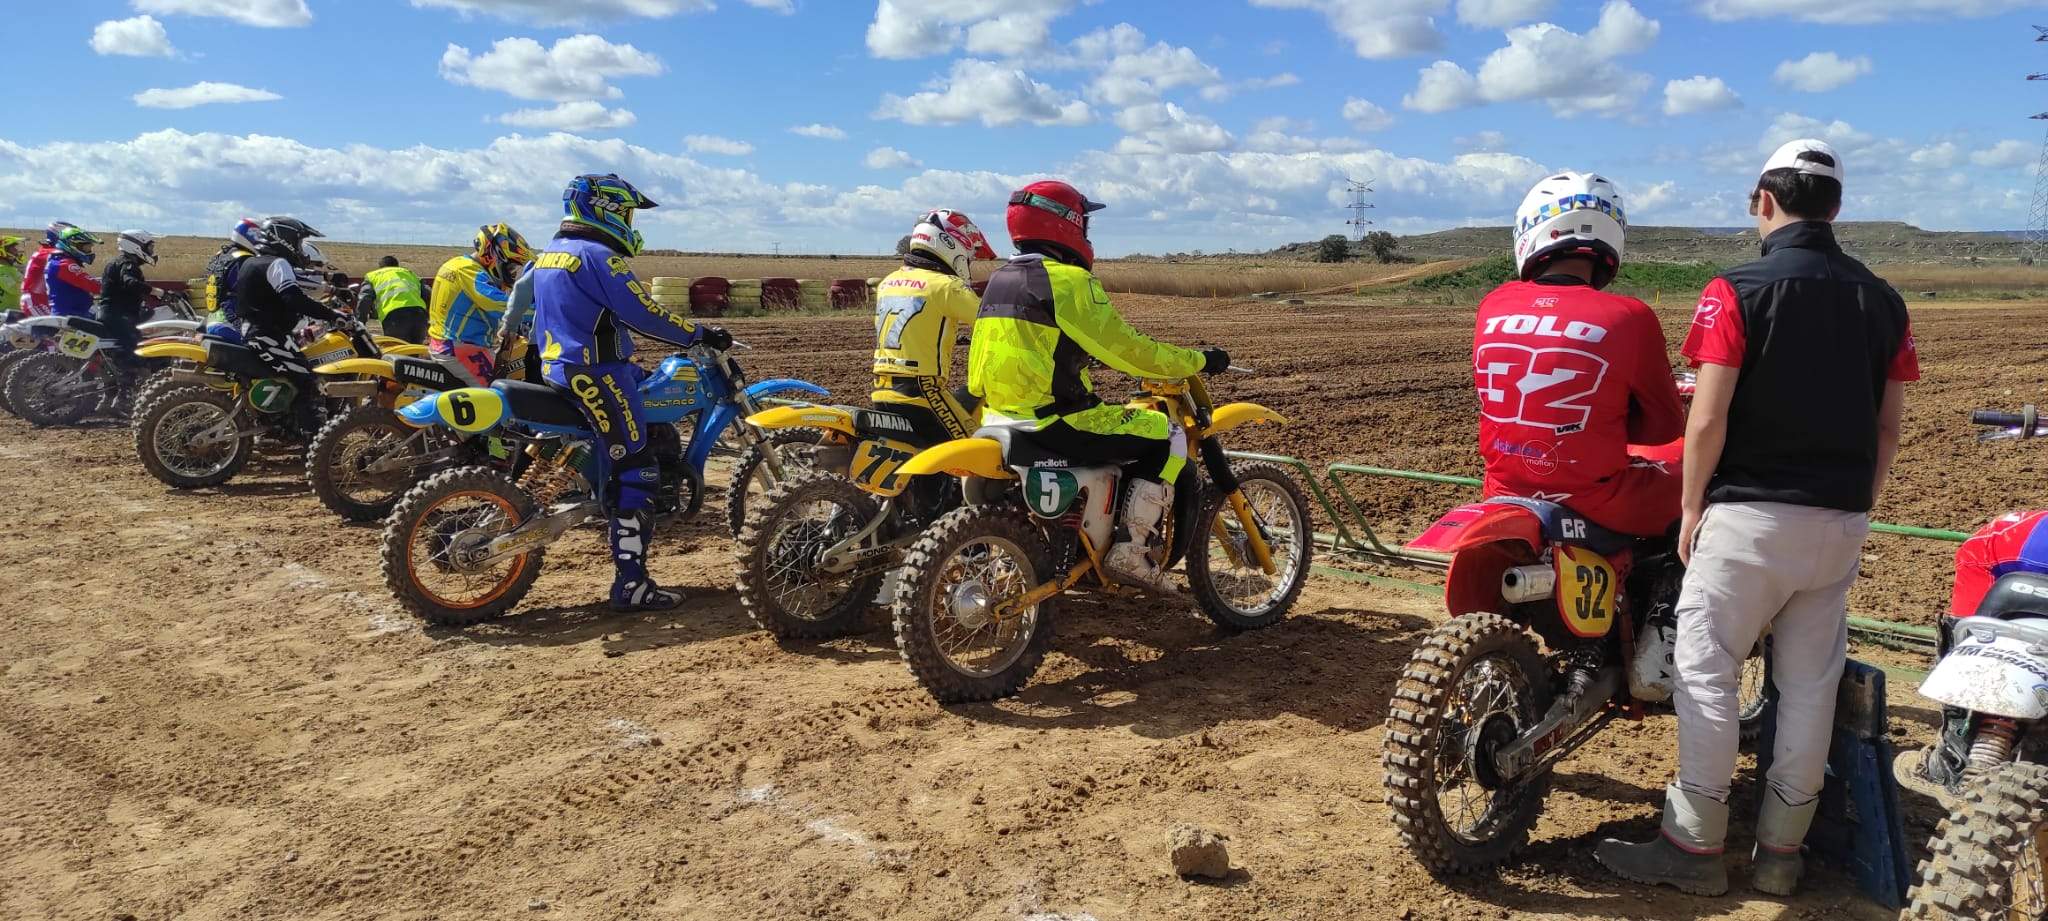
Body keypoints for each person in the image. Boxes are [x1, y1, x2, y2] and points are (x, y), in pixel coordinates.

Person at [1595, 139, 1918, 898]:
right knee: (1808, 685)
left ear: (1763, 202)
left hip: (1747, 518)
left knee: (1706, 672)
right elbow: (1888, 427)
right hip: (1837, 525)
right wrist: (1857, 503)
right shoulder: (1884, 299)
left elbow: (1706, 420)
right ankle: (1780, 855)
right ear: (1836, 207)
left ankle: (1694, 844)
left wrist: (1689, 507)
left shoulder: (1734, 290)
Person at [968, 180, 1228, 593]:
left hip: (998, 419)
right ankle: (1131, 550)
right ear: (1067, 223)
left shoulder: (1001, 279)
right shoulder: (1069, 281)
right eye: (1084, 223)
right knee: (1170, 436)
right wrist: (1197, 359)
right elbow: (1128, 348)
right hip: (1055, 421)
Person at [530, 173, 730, 612]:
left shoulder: (551, 255)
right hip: (595, 372)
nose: (630, 221)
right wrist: (699, 334)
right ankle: (632, 585)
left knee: (648, 420)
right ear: (606, 210)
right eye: (626, 212)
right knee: (638, 471)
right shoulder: (599, 257)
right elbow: (644, 313)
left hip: (564, 367)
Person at [872, 209, 996, 442]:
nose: (968, 261)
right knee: (974, 450)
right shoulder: (948, 286)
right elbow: (994, 324)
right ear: (951, 244)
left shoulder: (888, 281)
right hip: (922, 390)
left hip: (882, 389)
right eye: (968, 255)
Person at [226, 217, 353, 435]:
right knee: (307, 380)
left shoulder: (252, 262)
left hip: (258, 332)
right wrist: (332, 314)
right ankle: (313, 440)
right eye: (298, 242)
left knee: (292, 376)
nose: (300, 249)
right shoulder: (277, 263)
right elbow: (294, 298)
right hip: (267, 335)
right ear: (285, 240)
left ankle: (282, 425)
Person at [430, 223, 531, 383]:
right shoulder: (470, 272)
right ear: (494, 255)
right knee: (497, 393)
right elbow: (499, 305)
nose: (512, 273)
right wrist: (542, 310)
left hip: (449, 344)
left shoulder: (457, 264)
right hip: (461, 350)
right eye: (511, 267)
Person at [94, 231, 159, 376]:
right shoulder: (128, 264)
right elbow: (130, 282)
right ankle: (128, 384)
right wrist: (155, 291)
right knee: (135, 349)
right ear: (135, 246)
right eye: (149, 247)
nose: (151, 251)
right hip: (117, 315)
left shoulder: (118, 262)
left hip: (113, 313)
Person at [362, 255, 429, 344]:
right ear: (397, 266)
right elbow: (427, 294)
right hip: (419, 315)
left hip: (394, 316)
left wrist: (361, 322)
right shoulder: (410, 274)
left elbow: (364, 299)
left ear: (380, 267)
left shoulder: (373, 276)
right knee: (415, 349)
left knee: (397, 348)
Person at [45, 227, 103, 318]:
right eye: (86, 248)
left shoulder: (56, 261)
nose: (89, 252)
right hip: (71, 315)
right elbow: (93, 285)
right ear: (72, 245)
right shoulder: (65, 265)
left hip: (71, 311)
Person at [21, 221, 75, 316]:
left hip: (44, 299)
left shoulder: (47, 251)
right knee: (54, 324)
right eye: (71, 238)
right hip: (36, 300)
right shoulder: (52, 254)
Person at [0, 236, 22, 313]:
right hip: (5, 313)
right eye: (13, 248)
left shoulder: (10, 268)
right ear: (3, 251)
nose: (17, 250)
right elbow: (14, 289)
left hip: (14, 312)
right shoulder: (1, 270)